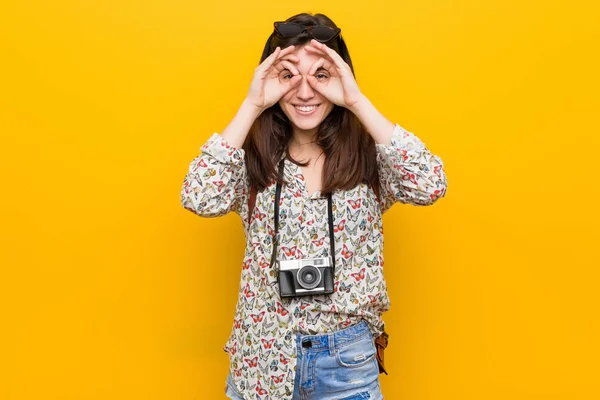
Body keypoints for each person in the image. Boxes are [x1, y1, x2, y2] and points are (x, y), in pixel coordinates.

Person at [180, 12, 447, 400]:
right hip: (262, 360)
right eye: (289, 75)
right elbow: (198, 196)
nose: (305, 92)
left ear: (341, 77)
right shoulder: (249, 158)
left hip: (346, 363)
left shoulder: (371, 157)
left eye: (321, 75)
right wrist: (252, 103)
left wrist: (356, 100)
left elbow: (430, 184)